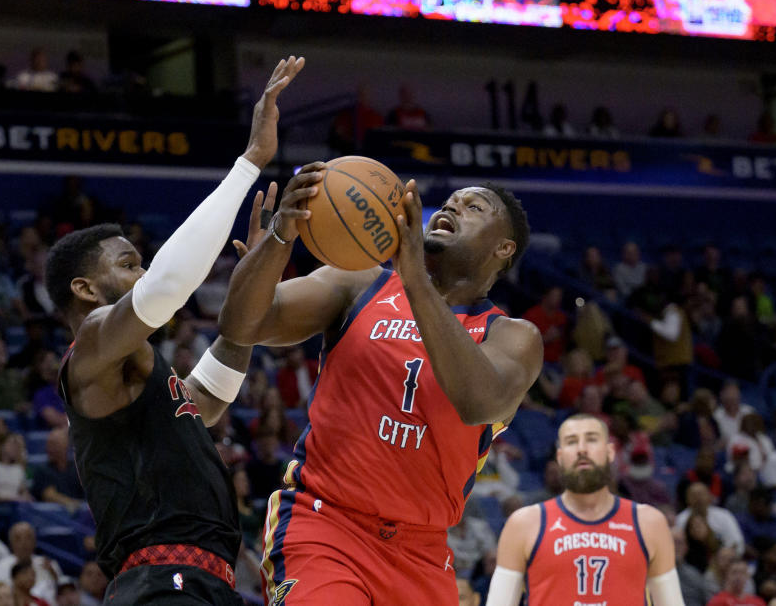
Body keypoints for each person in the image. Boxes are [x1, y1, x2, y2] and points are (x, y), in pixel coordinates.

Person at [42, 55, 303, 605]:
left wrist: (248, 289)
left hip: (206, 580)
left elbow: (205, 400)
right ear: (85, 289)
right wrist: (250, 162)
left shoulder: (137, 368)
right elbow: (164, 288)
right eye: (129, 263)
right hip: (160, 580)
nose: (143, 271)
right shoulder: (89, 347)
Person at [219, 169, 543, 601]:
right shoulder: (357, 283)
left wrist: (416, 280)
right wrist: (276, 245)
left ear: (504, 249)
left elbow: (477, 402)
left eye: (474, 207)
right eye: (449, 201)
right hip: (325, 524)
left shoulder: (512, 336)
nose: (451, 207)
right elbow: (241, 323)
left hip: (422, 549)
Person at [489, 414, 681, 606]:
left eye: (592, 439)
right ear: (560, 457)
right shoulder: (524, 524)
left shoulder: (649, 522)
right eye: (572, 442)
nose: (582, 449)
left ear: (610, 453)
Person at [29, 428, 84, 511]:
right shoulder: (42, 470)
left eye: (54, 444)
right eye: (48, 444)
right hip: (51, 518)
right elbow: (49, 494)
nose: (49, 448)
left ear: (65, 446)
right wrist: (69, 503)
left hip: (80, 517)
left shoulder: (76, 468)